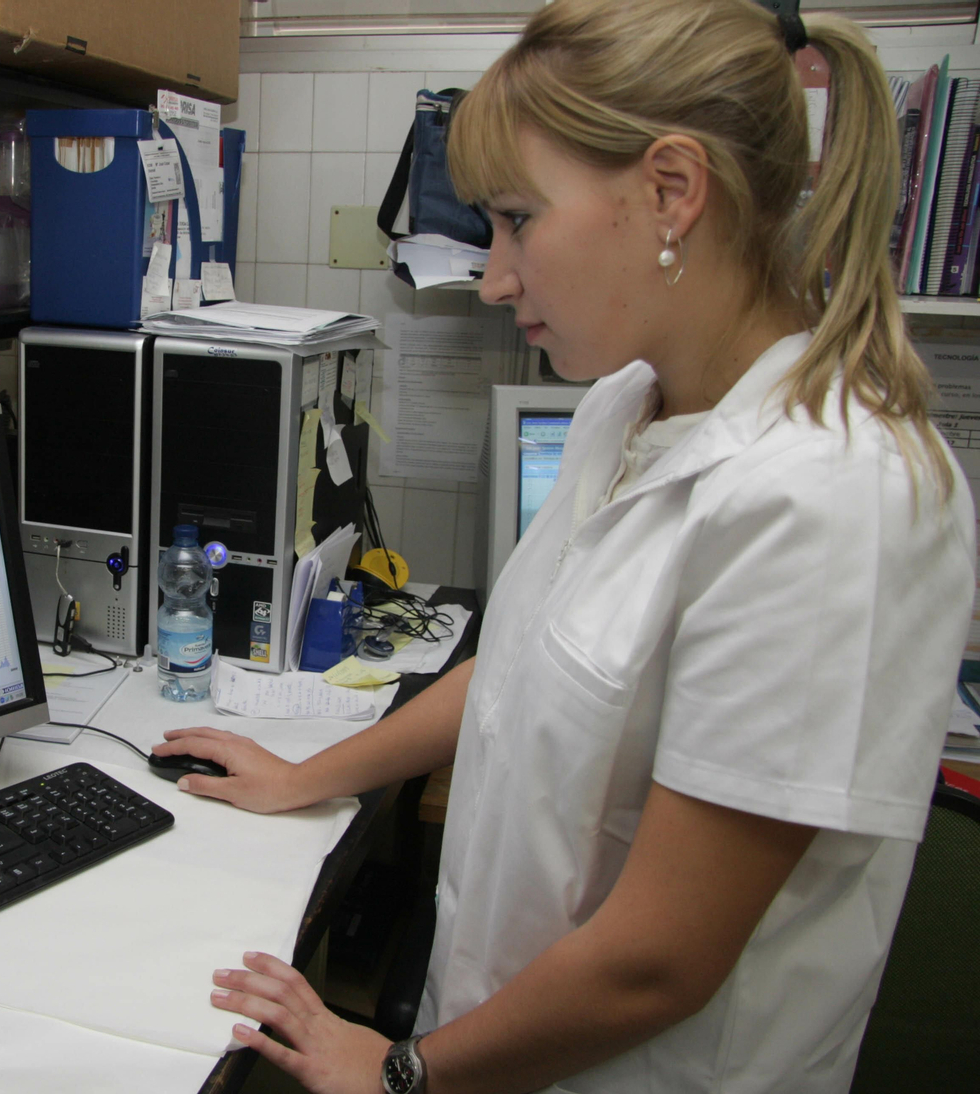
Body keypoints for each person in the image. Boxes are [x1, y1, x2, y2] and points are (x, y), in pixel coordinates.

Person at [151, 1, 977, 1091]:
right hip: (491, 1031)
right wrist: (307, 774)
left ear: (672, 192)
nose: (494, 277)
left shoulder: (829, 497)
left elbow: (657, 963)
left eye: (515, 220)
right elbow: (525, 668)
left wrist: (401, 1071)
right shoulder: (625, 404)